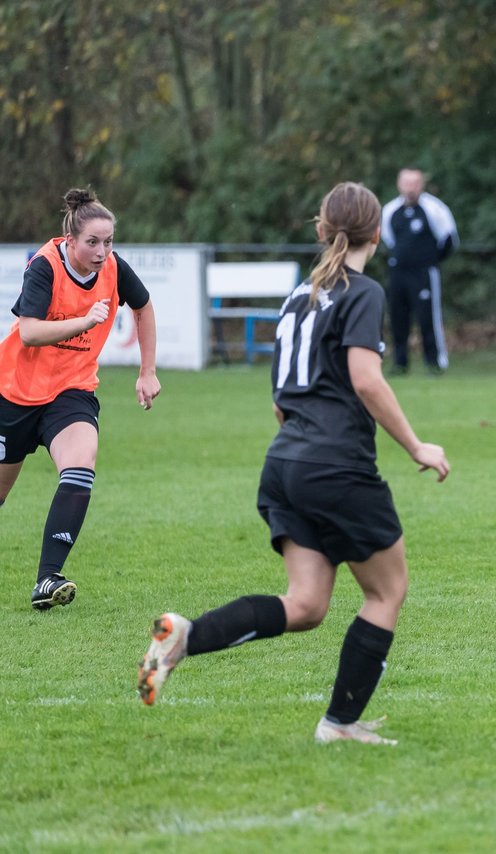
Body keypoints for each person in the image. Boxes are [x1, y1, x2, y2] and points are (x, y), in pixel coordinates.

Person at [138, 182, 450, 746]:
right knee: (386, 593)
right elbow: (366, 378)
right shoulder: (364, 292)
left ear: (322, 229)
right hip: (334, 468)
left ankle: (183, 637)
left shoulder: (297, 297)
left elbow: (281, 397)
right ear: (376, 235)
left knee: (306, 605)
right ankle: (339, 724)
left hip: (285, 463)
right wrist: (417, 446)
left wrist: (305, 454)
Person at [0, 188, 161, 610]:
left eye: (108, 242)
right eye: (92, 242)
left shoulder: (112, 269)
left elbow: (143, 308)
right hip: (15, 392)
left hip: (72, 390)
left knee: (80, 466)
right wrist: (82, 321)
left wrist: (148, 371)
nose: (102, 251)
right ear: (69, 239)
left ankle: (47, 579)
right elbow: (30, 331)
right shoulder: (44, 267)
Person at [380, 167, 459, 374]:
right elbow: (388, 240)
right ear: (399, 184)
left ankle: (434, 362)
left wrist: (430, 261)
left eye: (414, 183)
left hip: (424, 273)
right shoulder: (390, 210)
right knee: (398, 317)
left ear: (421, 184)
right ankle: (400, 363)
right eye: (406, 183)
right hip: (398, 273)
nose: (410, 188)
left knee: (427, 318)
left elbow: (449, 240)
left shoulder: (434, 208)